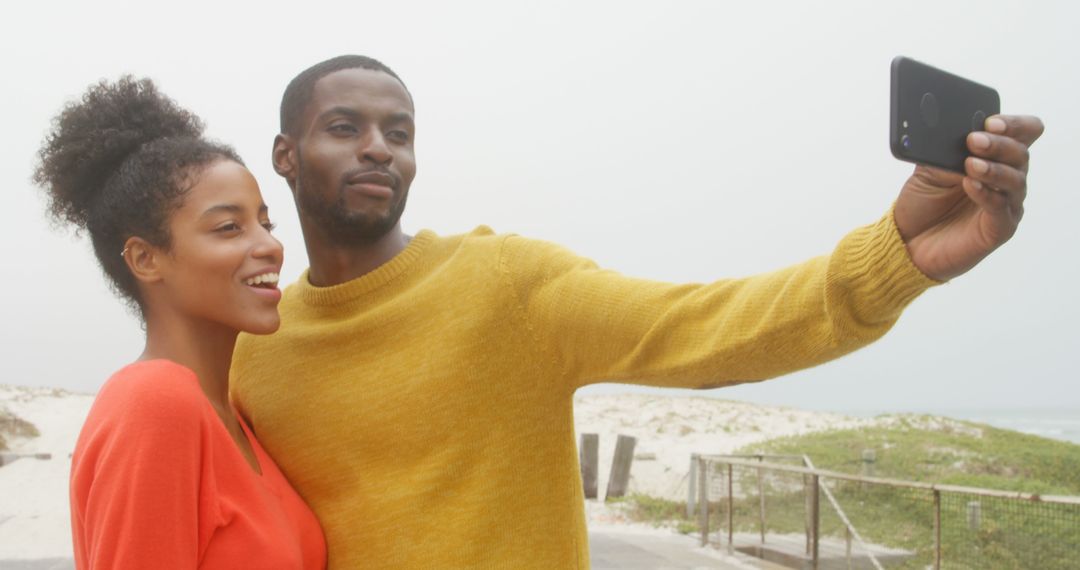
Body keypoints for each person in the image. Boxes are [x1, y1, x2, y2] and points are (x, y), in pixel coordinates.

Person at [229, 55, 1043, 569]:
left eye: (398, 132)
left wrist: (898, 254)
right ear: (285, 156)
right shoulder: (255, 349)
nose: (378, 147)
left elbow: (710, 326)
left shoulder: (504, 285)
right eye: (346, 127)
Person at [35, 77, 327, 569]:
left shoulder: (229, 416)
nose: (270, 245)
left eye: (266, 223)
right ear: (146, 259)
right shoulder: (156, 403)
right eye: (229, 227)